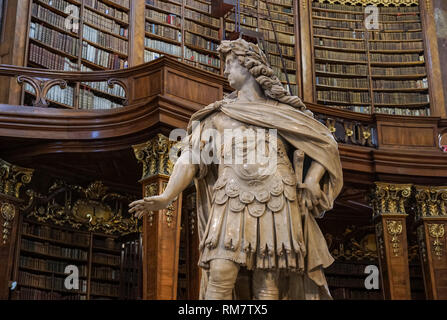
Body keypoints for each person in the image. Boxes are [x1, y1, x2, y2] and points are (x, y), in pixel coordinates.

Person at [129, 38, 343, 300]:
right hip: (231, 196)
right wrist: (167, 196)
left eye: (230, 64)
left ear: (250, 67)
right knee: (220, 273)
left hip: (277, 196)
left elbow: (324, 143)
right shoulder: (218, 115)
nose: (225, 71)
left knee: (268, 283)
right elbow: (191, 158)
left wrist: (311, 179)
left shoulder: (282, 113)